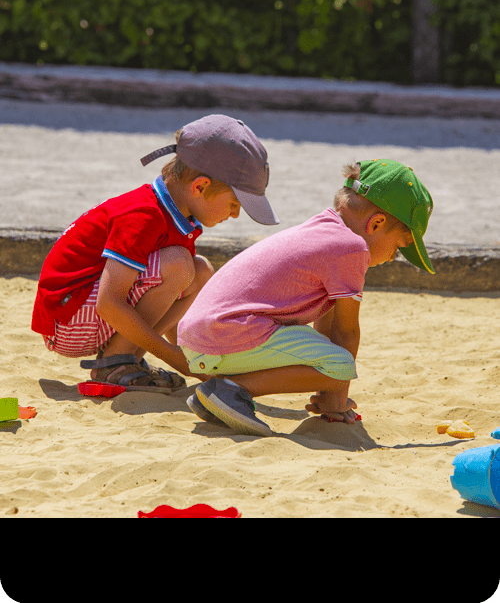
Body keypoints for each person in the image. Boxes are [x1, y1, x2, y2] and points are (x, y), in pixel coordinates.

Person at [178, 158, 434, 435]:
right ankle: (231, 389)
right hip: (224, 333)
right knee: (343, 364)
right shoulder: (352, 248)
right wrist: (336, 398)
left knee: (335, 361)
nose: (392, 258)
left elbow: (328, 325)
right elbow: (346, 331)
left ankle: (219, 397)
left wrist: (329, 392)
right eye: (398, 247)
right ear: (377, 224)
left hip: (204, 337)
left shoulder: (325, 231)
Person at [31, 114, 279, 391]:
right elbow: (108, 303)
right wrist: (174, 358)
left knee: (200, 271)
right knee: (179, 265)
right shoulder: (144, 214)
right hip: (66, 321)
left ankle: (127, 361)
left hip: (85, 314)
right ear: (200, 186)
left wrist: (191, 355)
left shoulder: (180, 217)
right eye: (234, 204)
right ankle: (115, 361)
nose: (234, 215)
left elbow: (173, 296)